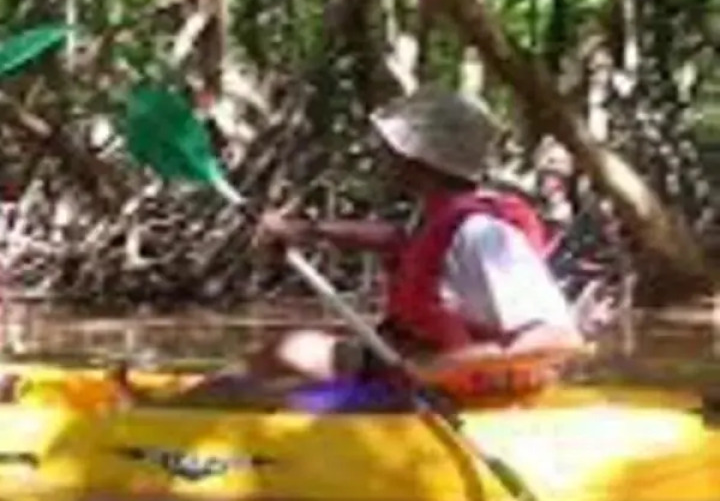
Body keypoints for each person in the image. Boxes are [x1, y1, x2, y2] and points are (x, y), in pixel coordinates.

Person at [115, 87, 589, 413]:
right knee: (286, 349)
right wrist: (307, 230)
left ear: (415, 157)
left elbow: (559, 338)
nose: (382, 156)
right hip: (417, 365)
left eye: (390, 148)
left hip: (454, 387)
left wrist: (442, 366)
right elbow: (398, 242)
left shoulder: (484, 235)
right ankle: (174, 409)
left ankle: (151, 424)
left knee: (256, 390)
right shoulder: (445, 213)